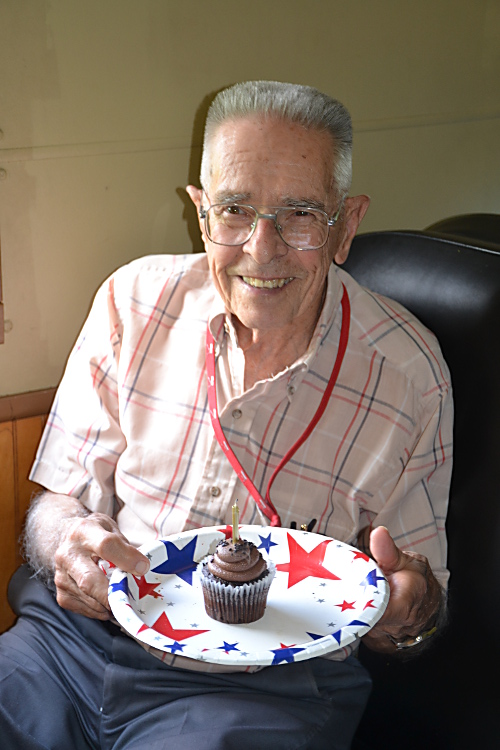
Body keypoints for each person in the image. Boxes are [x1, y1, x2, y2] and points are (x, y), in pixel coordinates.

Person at [0, 81, 452, 750]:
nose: (261, 249)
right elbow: (56, 503)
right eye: (235, 210)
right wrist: (66, 543)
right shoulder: (133, 300)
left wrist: (408, 612)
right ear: (201, 212)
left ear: (346, 224)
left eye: (299, 214)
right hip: (66, 649)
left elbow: (421, 599)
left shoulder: (409, 372)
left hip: (259, 692)